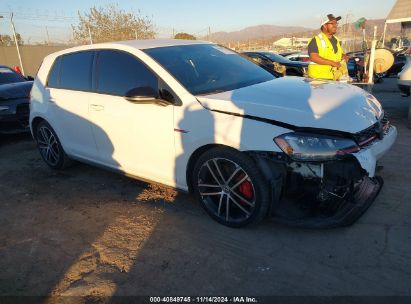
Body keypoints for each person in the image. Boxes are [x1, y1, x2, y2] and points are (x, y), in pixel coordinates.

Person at [307, 14, 349, 80]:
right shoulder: (315, 40)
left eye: (336, 23)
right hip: (318, 79)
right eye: (332, 23)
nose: (335, 25)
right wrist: (332, 63)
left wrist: (343, 56)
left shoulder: (336, 40)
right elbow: (313, 57)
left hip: (334, 77)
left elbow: (334, 54)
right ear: (324, 25)